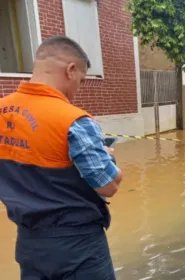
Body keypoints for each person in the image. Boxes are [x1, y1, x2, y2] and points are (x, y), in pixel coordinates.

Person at [0, 36, 123, 279]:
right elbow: (108, 186)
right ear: (70, 70)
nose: (78, 89)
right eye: (81, 80)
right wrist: (108, 159)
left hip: (29, 244)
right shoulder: (74, 121)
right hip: (78, 246)